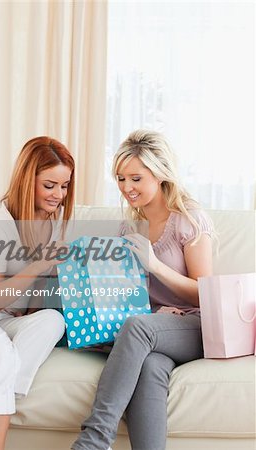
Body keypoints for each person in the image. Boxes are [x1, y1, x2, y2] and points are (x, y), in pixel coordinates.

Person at [72, 129, 213, 450]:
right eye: (120, 179)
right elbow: (130, 297)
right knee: (149, 367)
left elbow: (207, 294)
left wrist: (156, 265)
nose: (126, 188)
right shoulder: (129, 228)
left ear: (160, 174)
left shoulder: (189, 220)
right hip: (156, 329)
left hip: (196, 325)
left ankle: (94, 440)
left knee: (136, 327)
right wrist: (153, 314)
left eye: (135, 178)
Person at [0, 136, 75, 450]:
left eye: (64, 186)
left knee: (52, 320)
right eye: (50, 185)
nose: (58, 195)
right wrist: (40, 264)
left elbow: (32, 296)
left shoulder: (51, 222)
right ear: (27, 179)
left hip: (8, 314)